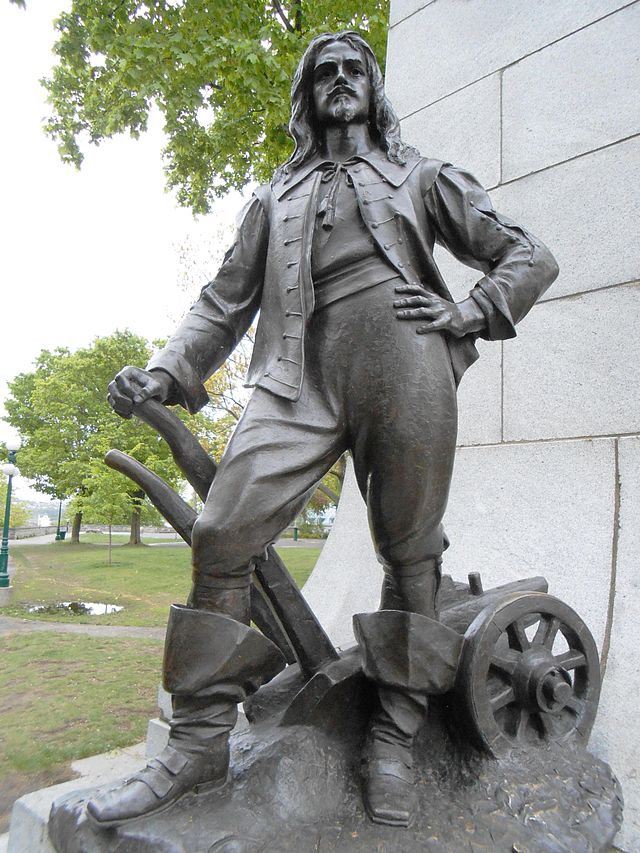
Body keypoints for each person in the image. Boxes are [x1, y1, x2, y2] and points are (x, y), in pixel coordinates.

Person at [88, 30, 558, 830]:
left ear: (374, 92)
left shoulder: (423, 176)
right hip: (296, 377)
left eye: (354, 70)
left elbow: (527, 254)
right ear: (307, 98)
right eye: (324, 74)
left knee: (411, 551)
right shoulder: (274, 197)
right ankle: (198, 740)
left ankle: (393, 734)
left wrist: (468, 311)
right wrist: (166, 370)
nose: (340, 81)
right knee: (222, 531)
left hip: (406, 367)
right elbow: (221, 302)